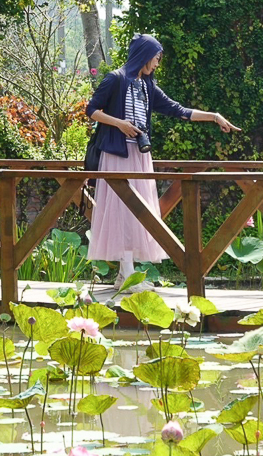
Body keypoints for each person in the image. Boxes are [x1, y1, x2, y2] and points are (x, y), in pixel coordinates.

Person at [85, 33, 239, 290]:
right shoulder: (115, 79)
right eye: (156, 58)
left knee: (138, 214)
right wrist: (120, 124)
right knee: (123, 212)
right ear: (145, 56)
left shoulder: (147, 86)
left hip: (140, 157)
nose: (157, 64)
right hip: (117, 155)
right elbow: (92, 110)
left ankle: (125, 277)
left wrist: (214, 116)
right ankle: (128, 277)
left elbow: (178, 110)